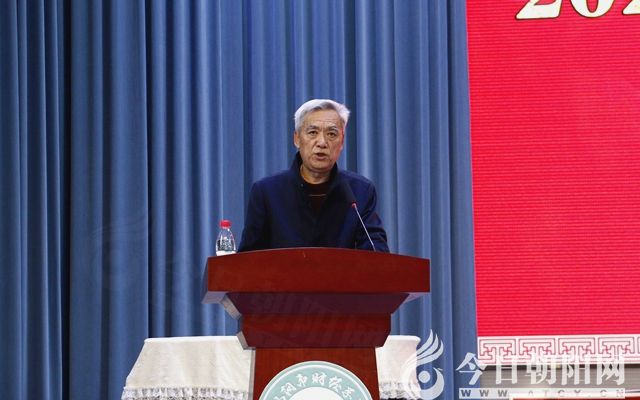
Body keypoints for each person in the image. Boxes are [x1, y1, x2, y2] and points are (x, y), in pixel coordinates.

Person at [238, 99, 389, 252]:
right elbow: (248, 258)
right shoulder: (267, 192)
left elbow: (377, 253)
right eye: (312, 132)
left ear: (342, 141)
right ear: (297, 139)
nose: (322, 142)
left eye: (331, 134)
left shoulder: (360, 191)